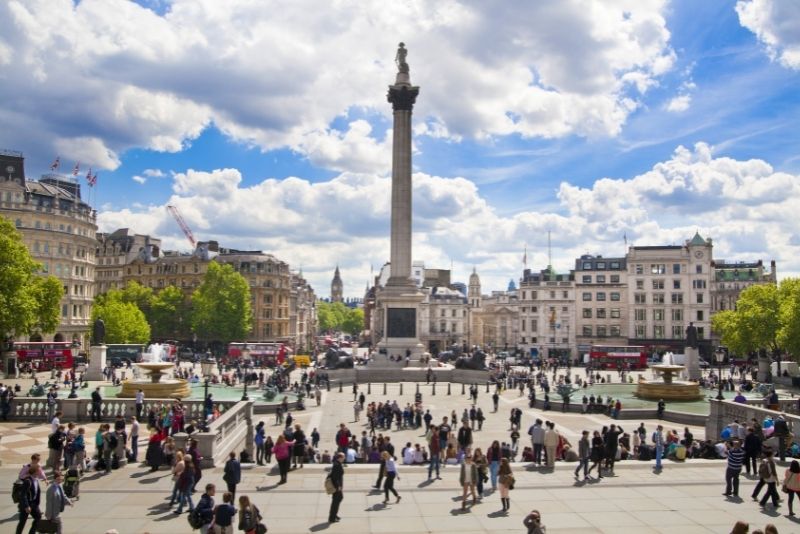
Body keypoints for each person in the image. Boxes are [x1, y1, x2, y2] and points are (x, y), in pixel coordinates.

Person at [16, 465, 42, 534]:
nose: (40, 472)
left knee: (38, 517)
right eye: (39, 470)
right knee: (22, 522)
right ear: (35, 472)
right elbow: (23, 494)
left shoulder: (36, 480)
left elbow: (37, 493)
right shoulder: (28, 481)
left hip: (33, 504)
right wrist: (27, 506)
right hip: (26, 504)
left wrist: (36, 504)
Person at [328, 452, 345, 523]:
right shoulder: (337, 465)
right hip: (337, 487)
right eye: (343, 457)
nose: (344, 458)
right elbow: (335, 477)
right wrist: (338, 486)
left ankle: (334, 514)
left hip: (338, 486)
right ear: (340, 458)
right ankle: (332, 518)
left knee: (339, 498)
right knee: (335, 501)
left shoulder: (338, 463)